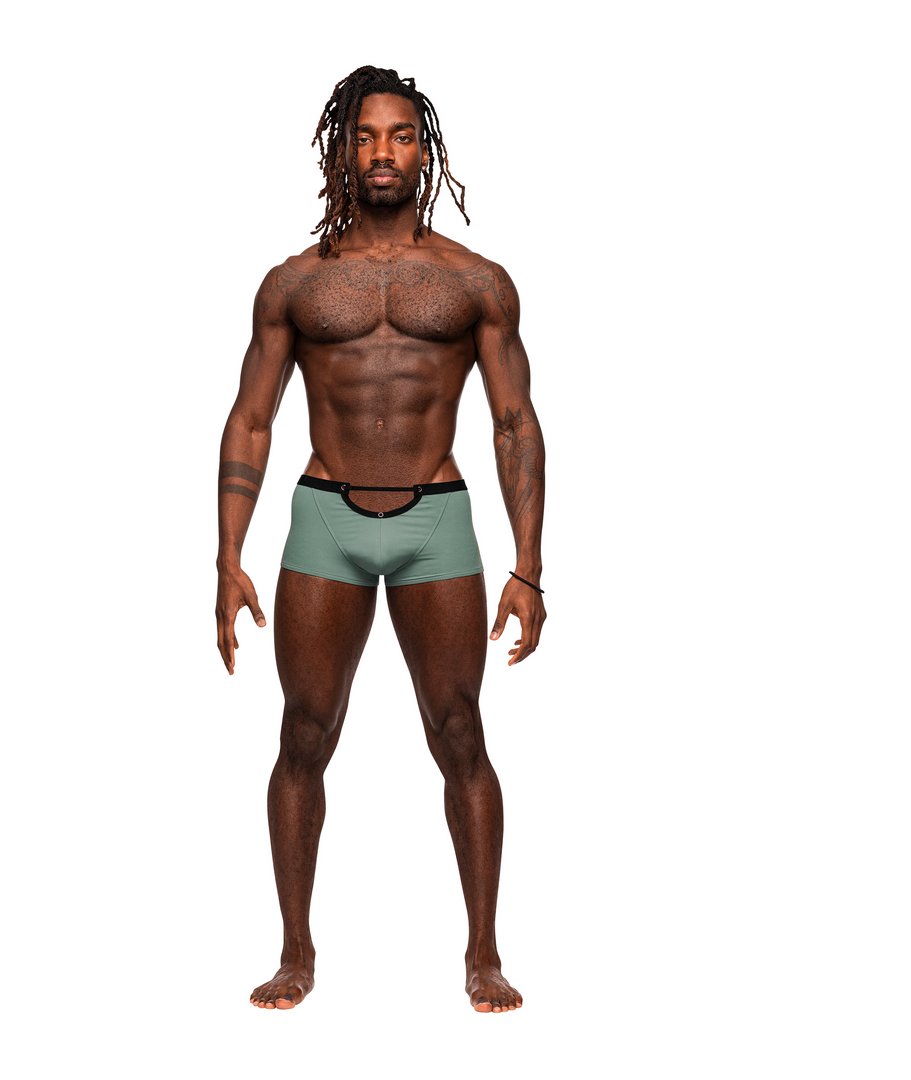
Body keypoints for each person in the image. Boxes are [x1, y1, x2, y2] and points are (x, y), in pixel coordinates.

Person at [216, 66, 546, 1014]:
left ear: (424, 151)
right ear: (342, 152)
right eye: (364, 137)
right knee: (303, 734)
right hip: (325, 516)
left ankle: (484, 953)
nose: (382, 153)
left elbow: (514, 423)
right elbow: (251, 420)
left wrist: (528, 567)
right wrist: (228, 556)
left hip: (437, 517)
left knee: (460, 732)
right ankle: (295, 951)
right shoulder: (295, 284)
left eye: (400, 136)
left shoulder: (476, 281)